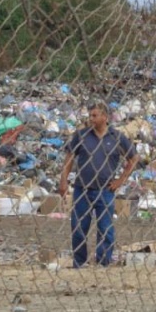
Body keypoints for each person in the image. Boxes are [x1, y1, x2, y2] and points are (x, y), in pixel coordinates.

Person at [59, 102, 138, 267]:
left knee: (106, 230)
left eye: (95, 116)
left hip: (105, 191)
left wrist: (120, 180)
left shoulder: (116, 137)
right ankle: (79, 263)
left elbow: (133, 158)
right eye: (90, 115)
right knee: (79, 229)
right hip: (83, 190)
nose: (91, 119)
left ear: (105, 117)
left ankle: (103, 263)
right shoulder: (81, 136)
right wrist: (63, 180)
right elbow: (69, 157)